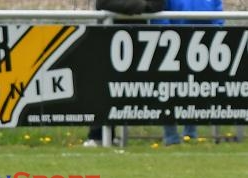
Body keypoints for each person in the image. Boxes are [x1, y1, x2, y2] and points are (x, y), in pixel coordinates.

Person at [83, 0, 165, 147]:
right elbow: (103, 3)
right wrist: (140, 6)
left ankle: (110, 136)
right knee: (105, 86)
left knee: (131, 89)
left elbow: (156, 5)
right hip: (108, 38)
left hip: (140, 41)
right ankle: (99, 136)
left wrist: (136, 6)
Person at [151, 0, 224, 145]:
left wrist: (214, 36)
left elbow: (218, 16)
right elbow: (159, 14)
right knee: (168, 91)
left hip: (202, 45)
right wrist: (168, 37)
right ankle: (171, 136)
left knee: (195, 89)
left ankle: (190, 133)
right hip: (172, 45)